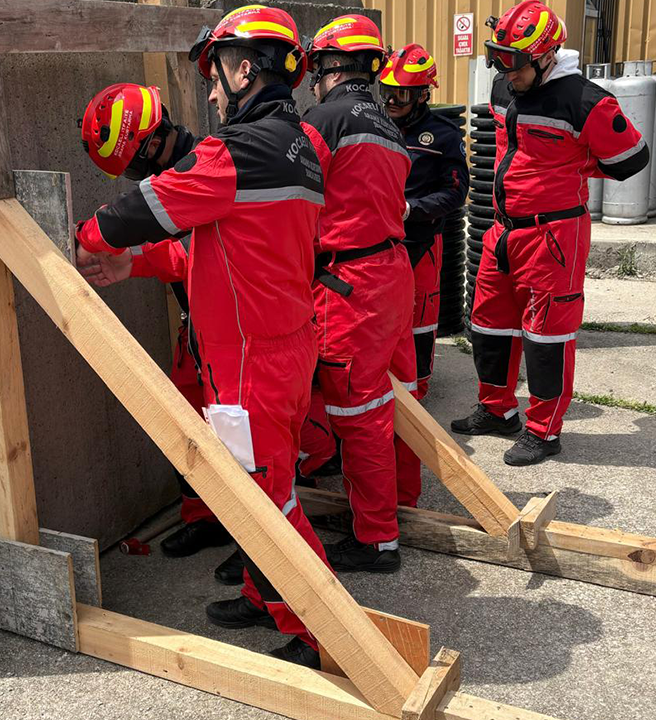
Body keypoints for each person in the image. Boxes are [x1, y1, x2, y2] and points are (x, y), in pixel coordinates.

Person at [73, 4, 329, 668]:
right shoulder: (297, 145)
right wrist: (140, 264)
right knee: (254, 493)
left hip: (252, 365)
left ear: (246, 68)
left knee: (269, 505)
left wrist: (92, 238)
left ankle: (322, 635)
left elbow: (141, 209)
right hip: (272, 349)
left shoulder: (237, 152)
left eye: (216, 75)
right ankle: (262, 595)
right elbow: (216, 257)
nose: (210, 92)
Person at [452, 1, 648, 465]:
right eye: (496, 55)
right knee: (488, 324)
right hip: (503, 230)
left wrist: (574, 168)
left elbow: (631, 159)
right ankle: (497, 410)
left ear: (545, 56)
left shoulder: (587, 101)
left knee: (546, 337)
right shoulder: (506, 87)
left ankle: (543, 429)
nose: (504, 69)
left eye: (513, 61)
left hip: (553, 235)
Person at [79, 83, 233, 560]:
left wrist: (128, 255)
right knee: (187, 416)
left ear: (150, 144)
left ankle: (255, 543)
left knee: (243, 438)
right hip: (199, 327)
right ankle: (205, 519)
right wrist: (131, 260)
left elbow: (200, 255)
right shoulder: (172, 168)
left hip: (235, 330)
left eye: (132, 165)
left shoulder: (206, 166)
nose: (131, 177)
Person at [301, 14, 414, 574]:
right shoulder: (388, 125)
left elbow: (291, 185)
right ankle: (400, 506)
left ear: (327, 65)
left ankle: (376, 538)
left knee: (359, 408)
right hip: (390, 273)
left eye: (315, 68)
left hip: (351, 284)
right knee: (393, 396)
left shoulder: (325, 118)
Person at [379, 43, 469, 507]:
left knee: (418, 326)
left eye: (401, 95)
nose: (391, 101)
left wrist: (413, 209)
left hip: (420, 243)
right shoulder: (373, 127)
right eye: (387, 91)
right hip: (380, 245)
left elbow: (455, 194)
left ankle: (418, 401)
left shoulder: (442, 136)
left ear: (423, 95)